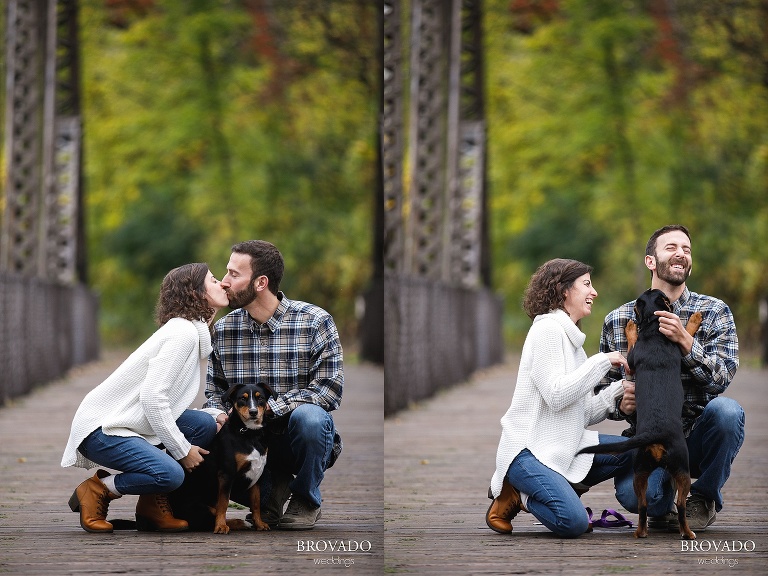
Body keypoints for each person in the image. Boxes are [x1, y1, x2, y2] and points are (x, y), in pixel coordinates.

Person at [62, 263, 229, 533]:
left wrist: (212, 414)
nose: (223, 284)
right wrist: (182, 450)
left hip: (127, 421)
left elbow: (166, 400)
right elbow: (153, 399)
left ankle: (152, 505)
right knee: (171, 474)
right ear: (196, 293)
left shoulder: (192, 332)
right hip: (103, 429)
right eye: (214, 280)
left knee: (203, 425)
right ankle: (99, 489)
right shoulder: (182, 334)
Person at [598, 224, 743, 531]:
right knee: (639, 495)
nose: (680, 254)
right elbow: (602, 389)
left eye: (686, 249)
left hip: (697, 433)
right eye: (671, 248)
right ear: (650, 261)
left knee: (728, 412)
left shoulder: (714, 311)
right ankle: (663, 502)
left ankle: (703, 497)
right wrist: (618, 402)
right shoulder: (618, 320)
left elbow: (722, 378)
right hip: (649, 434)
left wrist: (687, 342)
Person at [487, 258, 634, 538]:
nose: (595, 292)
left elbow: (582, 412)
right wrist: (603, 361)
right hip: (528, 452)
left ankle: (558, 485)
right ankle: (521, 493)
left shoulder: (571, 340)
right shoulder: (547, 331)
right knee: (574, 523)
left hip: (563, 446)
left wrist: (619, 390)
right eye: (587, 285)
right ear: (564, 290)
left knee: (636, 449)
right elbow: (556, 395)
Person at [202, 240, 343, 530]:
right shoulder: (224, 330)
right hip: (246, 445)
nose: (225, 282)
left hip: (298, 442)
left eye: (233, 274)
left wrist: (267, 409)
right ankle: (273, 488)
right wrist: (216, 414)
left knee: (311, 418)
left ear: (260, 282)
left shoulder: (315, 321)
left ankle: (306, 498)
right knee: (200, 426)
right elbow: (214, 393)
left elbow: (328, 391)